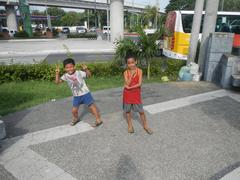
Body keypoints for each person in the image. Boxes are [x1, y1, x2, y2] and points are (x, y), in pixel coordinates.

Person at [55, 58, 103, 127]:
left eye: (71, 67)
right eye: (67, 68)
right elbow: (57, 82)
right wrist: (57, 74)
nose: (69, 69)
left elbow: (89, 76)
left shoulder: (79, 72)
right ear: (65, 69)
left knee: (92, 106)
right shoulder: (65, 76)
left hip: (85, 93)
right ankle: (76, 118)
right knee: (74, 110)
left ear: (74, 66)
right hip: (76, 96)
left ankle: (98, 120)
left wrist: (86, 70)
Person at [123, 55, 153, 135]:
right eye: (129, 63)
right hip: (127, 94)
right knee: (128, 111)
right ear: (127, 64)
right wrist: (131, 76)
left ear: (136, 62)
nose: (131, 65)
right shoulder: (125, 72)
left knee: (141, 111)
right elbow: (127, 83)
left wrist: (130, 87)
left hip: (136, 94)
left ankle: (145, 126)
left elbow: (139, 84)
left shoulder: (140, 71)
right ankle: (130, 125)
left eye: (132, 62)